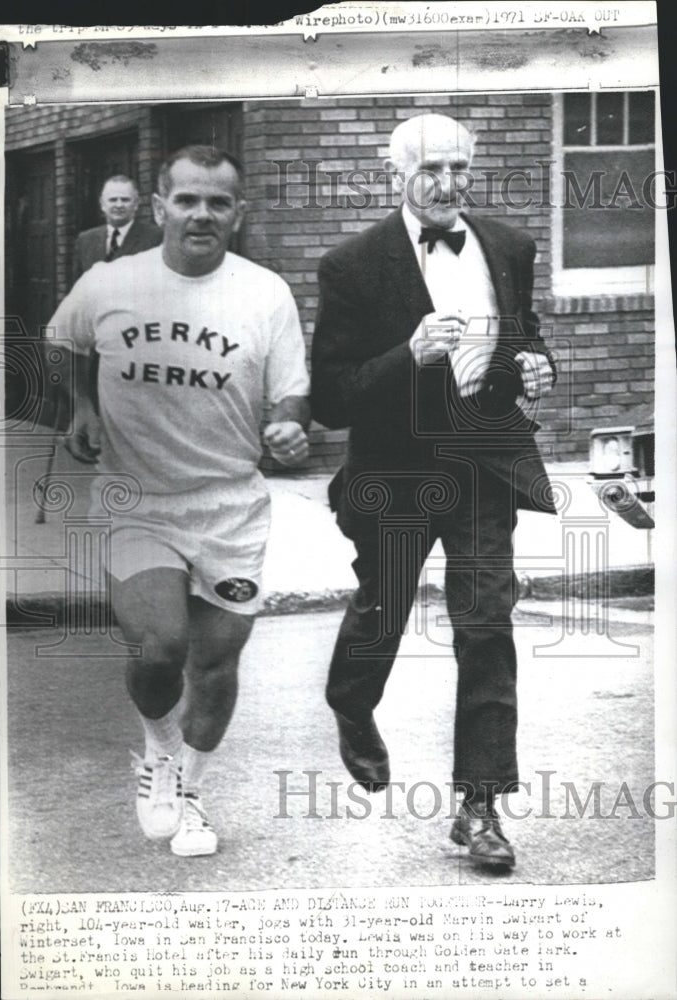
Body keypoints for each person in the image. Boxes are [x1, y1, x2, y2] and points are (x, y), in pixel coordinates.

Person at [310, 113, 557, 870]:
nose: (447, 184)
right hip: (396, 468)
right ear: (397, 175)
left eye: (458, 167)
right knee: (382, 607)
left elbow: (520, 335)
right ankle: (351, 703)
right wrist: (407, 355)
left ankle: (479, 808)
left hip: (482, 456)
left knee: (485, 623)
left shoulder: (507, 246)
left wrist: (534, 367)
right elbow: (330, 398)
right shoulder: (352, 265)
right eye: (430, 170)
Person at [49, 146, 310, 857]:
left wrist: (287, 423)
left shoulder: (265, 294)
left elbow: (291, 389)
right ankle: (156, 753)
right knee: (159, 645)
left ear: (238, 214)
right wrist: (81, 408)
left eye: (217, 202)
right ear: (158, 206)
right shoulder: (108, 281)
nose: (202, 214)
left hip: (229, 505)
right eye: (187, 200)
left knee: (216, 665)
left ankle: (190, 789)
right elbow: (64, 341)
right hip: (138, 498)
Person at [72, 175, 162, 281]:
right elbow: (78, 287)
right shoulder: (85, 240)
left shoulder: (156, 237)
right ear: (102, 204)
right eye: (113, 200)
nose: (119, 205)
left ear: (136, 203)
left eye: (125, 200)